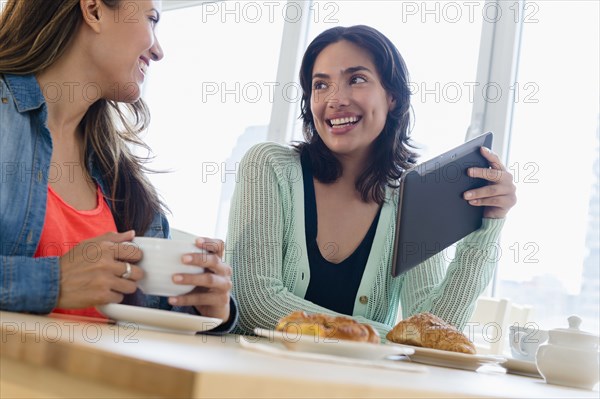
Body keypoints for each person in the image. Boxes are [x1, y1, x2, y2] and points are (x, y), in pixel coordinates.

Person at [225, 25, 516, 337]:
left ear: (392, 96)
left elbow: (435, 332)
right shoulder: (268, 166)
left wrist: (486, 228)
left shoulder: (412, 200)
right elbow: (256, 303)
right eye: (321, 85)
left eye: (357, 79)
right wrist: (384, 338)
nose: (335, 99)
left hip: (359, 386)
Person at [0, 0, 236, 332]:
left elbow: (153, 311)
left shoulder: (119, 174)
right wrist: (52, 283)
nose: (158, 51)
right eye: (151, 19)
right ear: (94, 10)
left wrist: (204, 307)